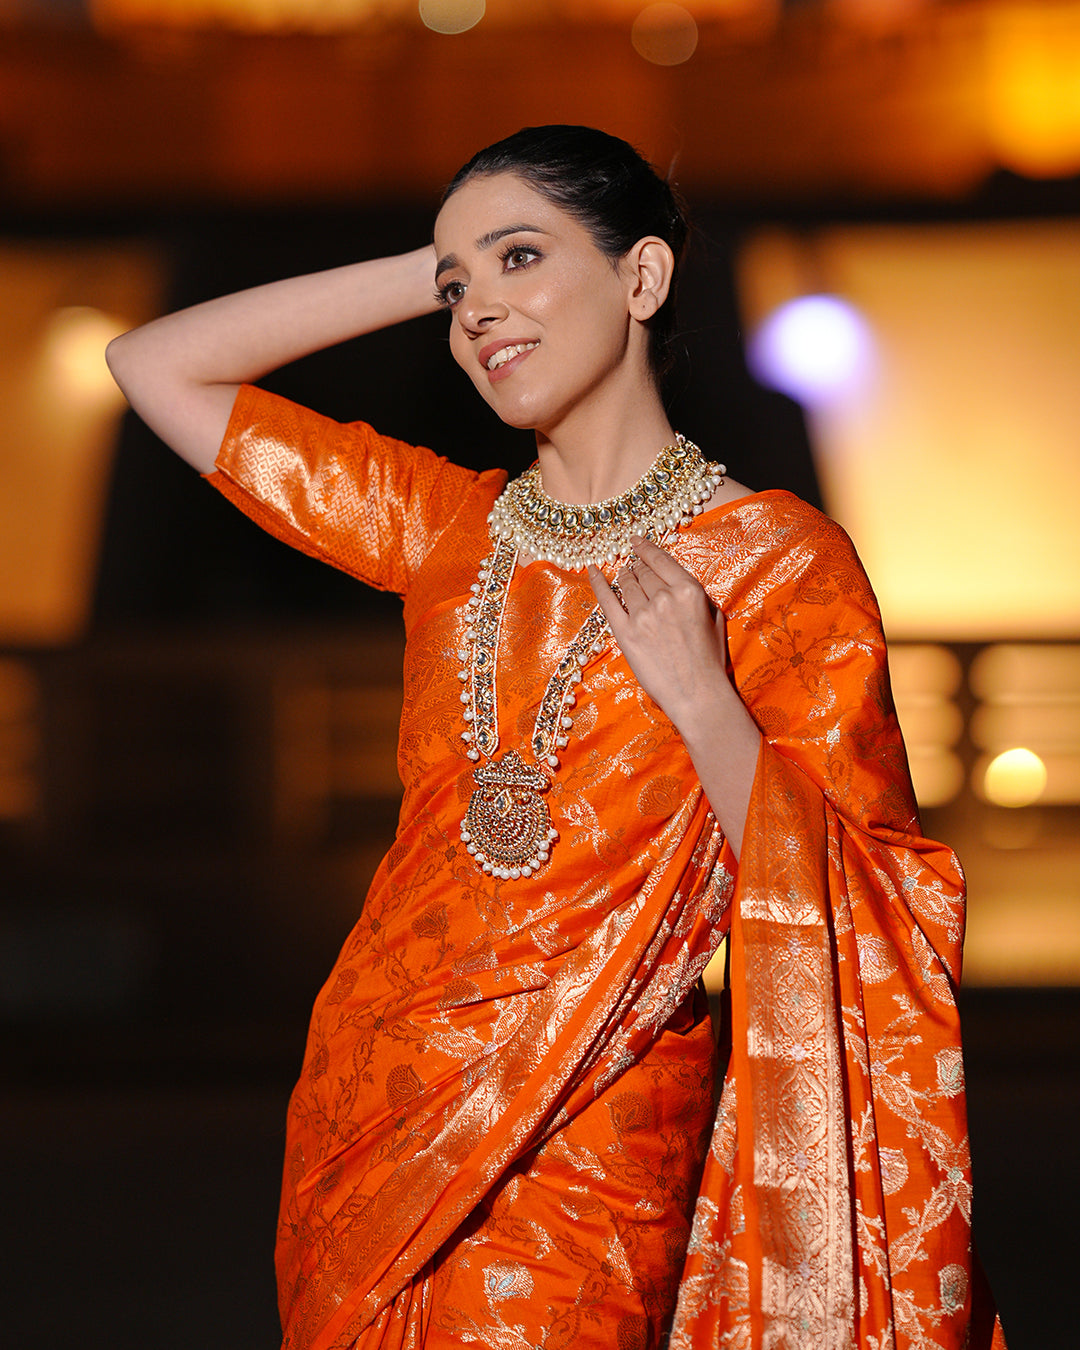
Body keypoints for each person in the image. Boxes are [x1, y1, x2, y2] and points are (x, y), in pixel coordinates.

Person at [106, 126, 1004, 1350]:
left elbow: (878, 904)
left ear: (643, 279)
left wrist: (705, 702)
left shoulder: (777, 565)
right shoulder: (440, 527)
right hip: (380, 1099)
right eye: (458, 285)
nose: (479, 311)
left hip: (598, 1122)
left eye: (522, 258)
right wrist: (432, 266)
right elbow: (156, 364)